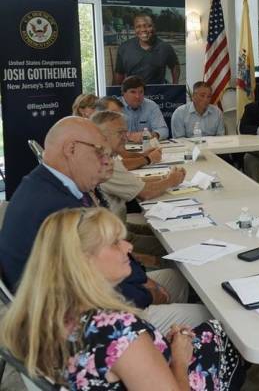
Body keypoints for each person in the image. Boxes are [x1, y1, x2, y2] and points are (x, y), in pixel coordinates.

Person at [0, 117, 210, 334]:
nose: (106, 161)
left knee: (176, 279)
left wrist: (143, 281)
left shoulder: (47, 185)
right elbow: (90, 287)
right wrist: (147, 294)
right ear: (71, 149)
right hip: (73, 324)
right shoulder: (60, 209)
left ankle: (168, 354)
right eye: (100, 152)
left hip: (76, 299)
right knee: (206, 317)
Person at [0, 208, 247, 390]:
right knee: (230, 330)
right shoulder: (116, 331)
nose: (128, 247)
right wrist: (180, 359)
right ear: (83, 260)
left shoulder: (47, 313)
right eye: (114, 243)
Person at [93, 110, 185, 223]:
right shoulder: (104, 163)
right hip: (115, 235)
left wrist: (164, 177)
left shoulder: (108, 157)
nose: (125, 138)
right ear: (102, 136)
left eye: (125, 132)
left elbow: (132, 181)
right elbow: (146, 193)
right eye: (120, 133)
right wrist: (172, 180)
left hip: (119, 227)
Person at [95, 96, 163, 171]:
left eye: (120, 115)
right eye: (114, 114)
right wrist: (148, 159)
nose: (119, 119)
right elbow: (115, 166)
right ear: (100, 115)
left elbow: (123, 153)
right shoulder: (94, 138)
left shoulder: (111, 133)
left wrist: (143, 155)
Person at [113, 13, 180, 85]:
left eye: (148, 26)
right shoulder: (124, 48)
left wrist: (175, 85)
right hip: (134, 91)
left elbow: (175, 66)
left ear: (154, 27)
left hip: (158, 93)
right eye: (138, 27)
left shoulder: (165, 47)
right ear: (134, 29)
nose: (143, 30)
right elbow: (119, 74)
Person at [119, 75, 169, 141]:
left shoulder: (151, 105)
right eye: (133, 92)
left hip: (146, 146)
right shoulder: (115, 107)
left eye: (141, 92)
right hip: (121, 147)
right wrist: (129, 136)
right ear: (123, 93)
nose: (137, 96)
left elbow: (164, 130)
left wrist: (151, 135)